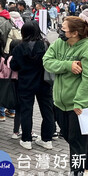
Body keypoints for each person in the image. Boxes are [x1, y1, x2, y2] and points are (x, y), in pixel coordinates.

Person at [43, 16, 88, 176]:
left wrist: (80, 102)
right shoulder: (59, 44)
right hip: (60, 103)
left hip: (81, 105)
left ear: (75, 33)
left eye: (64, 29)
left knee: (77, 142)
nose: (60, 31)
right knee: (72, 139)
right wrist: (68, 65)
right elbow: (47, 62)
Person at [10, 20, 55, 150]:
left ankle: (26, 140)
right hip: (44, 83)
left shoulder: (19, 47)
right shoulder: (46, 45)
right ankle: (47, 139)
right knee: (47, 111)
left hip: (25, 83)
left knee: (26, 111)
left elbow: (14, 66)